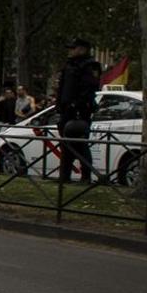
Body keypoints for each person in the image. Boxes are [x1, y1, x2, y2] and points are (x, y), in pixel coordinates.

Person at [52, 37, 101, 184]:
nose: (70, 51)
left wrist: (77, 105)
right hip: (66, 110)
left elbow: (89, 88)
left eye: (73, 48)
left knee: (80, 144)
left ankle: (86, 176)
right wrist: (59, 105)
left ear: (82, 49)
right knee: (66, 145)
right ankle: (64, 175)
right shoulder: (70, 65)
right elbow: (63, 88)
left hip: (79, 111)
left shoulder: (90, 66)